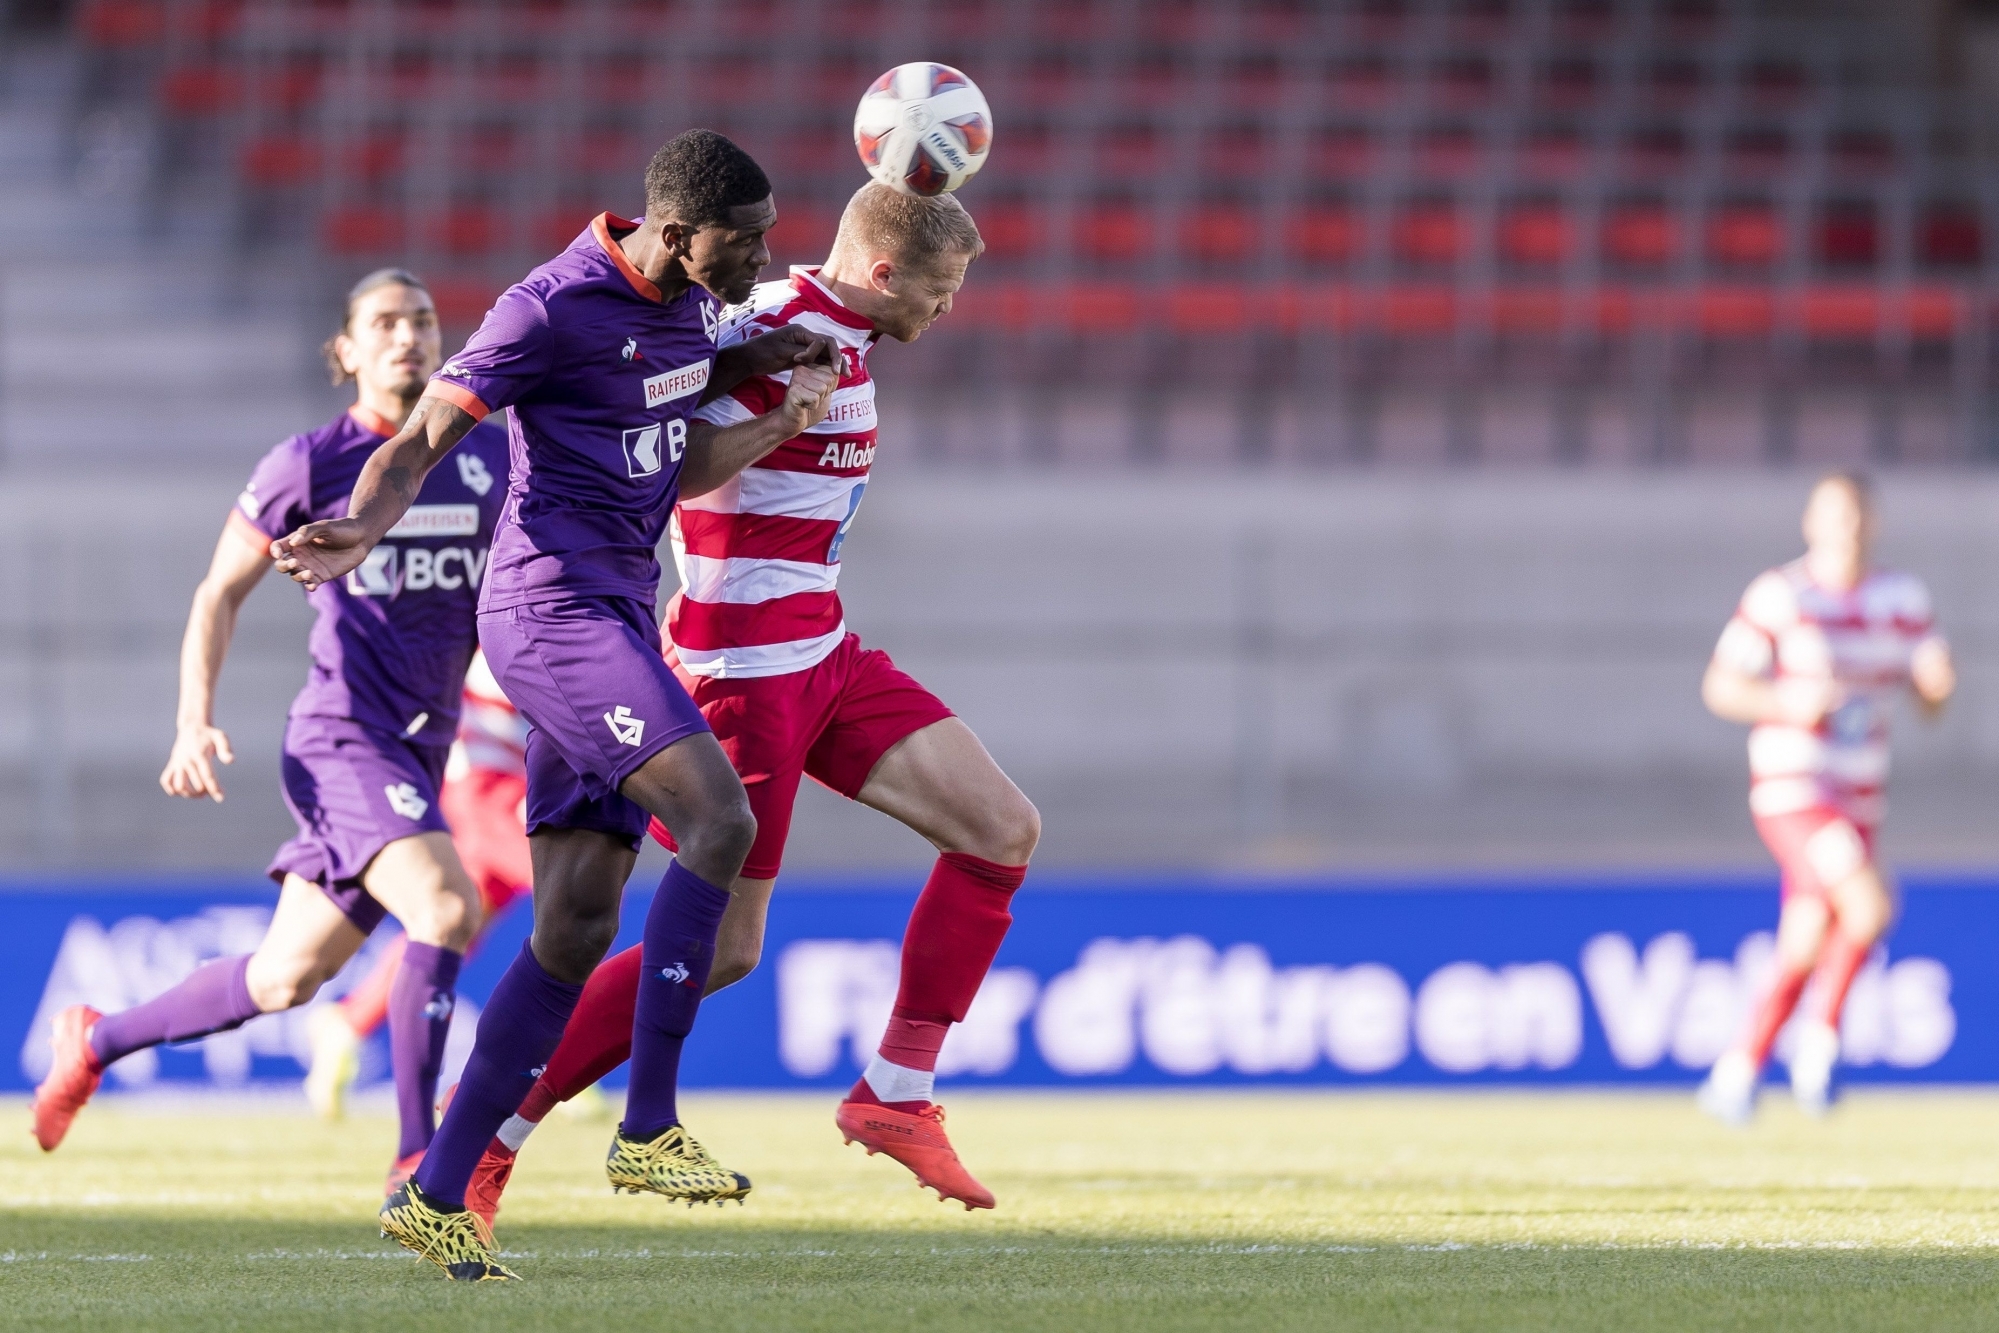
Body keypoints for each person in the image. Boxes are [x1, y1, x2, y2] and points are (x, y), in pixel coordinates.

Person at [271, 130, 840, 1282]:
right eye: (749, 240)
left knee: (575, 924)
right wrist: (368, 524)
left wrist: (768, 392)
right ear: (679, 234)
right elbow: (431, 430)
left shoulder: (687, 311)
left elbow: (667, 452)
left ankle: (436, 1191)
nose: (764, 255)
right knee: (720, 821)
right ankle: (647, 1124)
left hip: (616, 614)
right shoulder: (548, 307)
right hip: (548, 613)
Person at [460, 183, 1039, 1231]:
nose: (951, 306)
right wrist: (784, 416)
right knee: (726, 950)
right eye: (944, 287)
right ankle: (495, 1135)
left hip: (823, 648)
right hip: (741, 667)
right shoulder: (768, 326)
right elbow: (670, 468)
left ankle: (895, 1093)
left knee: (1001, 830)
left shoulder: (845, 329)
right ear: (883, 273)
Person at [32, 270, 510, 1193]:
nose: (407, 337)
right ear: (346, 350)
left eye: (421, 321)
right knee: (447, 906)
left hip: (421, 745)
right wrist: (191, 720)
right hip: (344, 737)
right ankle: (419, 1163)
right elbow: (219, 591)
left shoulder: (483, 460)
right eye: (383, 323)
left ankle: (96, 1038)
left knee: (284, 980)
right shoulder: (309, 462)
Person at [1697, 471, 1954, 1124]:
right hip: (1795, 786)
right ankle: (1819, 1043)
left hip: (1860, 791)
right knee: (1869, 906)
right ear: (1811, 522)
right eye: (1835, 514)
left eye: (1859, 514)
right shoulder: (1783, 594)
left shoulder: (1901, 597)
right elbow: (1721, 686)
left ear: (1875, 521)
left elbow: (1929, 702)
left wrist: (1934, 686)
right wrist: (1785, 701)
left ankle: (1736, 1070)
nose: (1848, 527)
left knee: (1805, 940)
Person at [303, 649, 534, 1121]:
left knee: (452, 925)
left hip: (508, 784)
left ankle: (348, 1021)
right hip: (483, 788)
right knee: (569, 896)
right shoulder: (512, 604)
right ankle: (545, 1060)